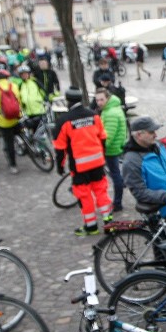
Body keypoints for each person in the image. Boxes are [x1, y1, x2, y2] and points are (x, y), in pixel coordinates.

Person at [53, 87, 113, 236]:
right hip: (97, 162)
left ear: (67, 101)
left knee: (84, 195)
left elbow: (60, 149)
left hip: (80, 166)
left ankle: (91, 226)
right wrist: (102, 156)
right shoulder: (93, 115)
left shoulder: (64, 121)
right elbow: (103, 137)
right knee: (101, 191)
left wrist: (60, 167)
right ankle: (109, 222)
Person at [122, 116, 166, 220]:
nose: (156, 135)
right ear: (139, 135)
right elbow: (140, 192)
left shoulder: (158, 146)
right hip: (157, 209)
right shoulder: (131, 161)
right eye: (151, 132)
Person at [95, 88, 127, 212]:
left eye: (102, 99)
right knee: (115, 173)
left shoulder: (110, 113)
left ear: (107, 98)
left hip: (111, 149)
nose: (99, 102)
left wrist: (98, 148)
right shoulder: (111, 108)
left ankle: (118, 203)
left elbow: (108, 137)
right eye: (97, 100)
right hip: (115, 146)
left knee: (115, 176)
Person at [18, 65, 47, 135]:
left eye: (25, 73)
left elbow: (44, 92)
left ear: (29, 73)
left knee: (40, 133)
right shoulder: (20, 85)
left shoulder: (35, 82)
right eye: (22, 74)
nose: (24, 75)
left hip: (39, 111)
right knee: (31, 133)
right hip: (28, 113)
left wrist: (47, 100)